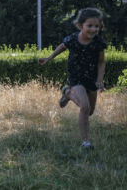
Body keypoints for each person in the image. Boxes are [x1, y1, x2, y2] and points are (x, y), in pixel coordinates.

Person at [39, 8, 107, 150]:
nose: (94, 29)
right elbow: (62, 47)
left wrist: (100, 79)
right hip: (76, 77)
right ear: (80, 26)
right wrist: (49, 58)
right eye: (90, 26)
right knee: (85, 106)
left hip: (91, 78)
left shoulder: (99, 43)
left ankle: (68, 94)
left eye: (97, 26)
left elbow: (101, 62)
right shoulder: (73, 39)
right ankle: (85, 142)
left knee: (90, 111)